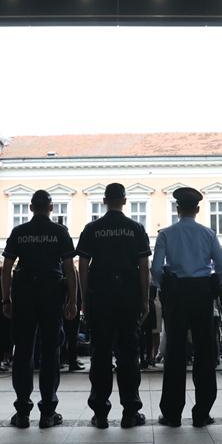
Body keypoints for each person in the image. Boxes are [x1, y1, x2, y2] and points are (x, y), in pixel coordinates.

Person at [151, 187, 222, 428]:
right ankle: (202, 413)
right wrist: (212, 285)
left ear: (177, 208)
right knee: (205, 352)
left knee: (174, 352)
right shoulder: (208, 234)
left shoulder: (166, 234)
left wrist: (166, 286)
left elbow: (155, 269)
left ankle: (172, 414)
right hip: (201, 292)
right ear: (197, 209)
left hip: (176, 294)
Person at [1, 190, 78, 429]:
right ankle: (48, 412)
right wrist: (73, 300)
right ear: (51, 208)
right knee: (50, 352)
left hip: (24, 293)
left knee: (23, 352)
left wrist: (6, 299)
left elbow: (6, 268)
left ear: (32, 207)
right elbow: (69, 269)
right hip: (51, 293)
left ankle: (22, 411)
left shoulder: (19, 232)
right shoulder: (60, 232)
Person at [76, 183, 150, 429]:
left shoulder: (92, 229)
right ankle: (130, 411)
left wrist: (85, 297)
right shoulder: (135, 228)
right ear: (125, 201)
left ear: (105, 200)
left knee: (100, 354)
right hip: (128, 297)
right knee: (129, 354)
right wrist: (144, 299)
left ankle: (100, 413)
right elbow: (143, 267)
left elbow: (83, 266)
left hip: (100, 297)